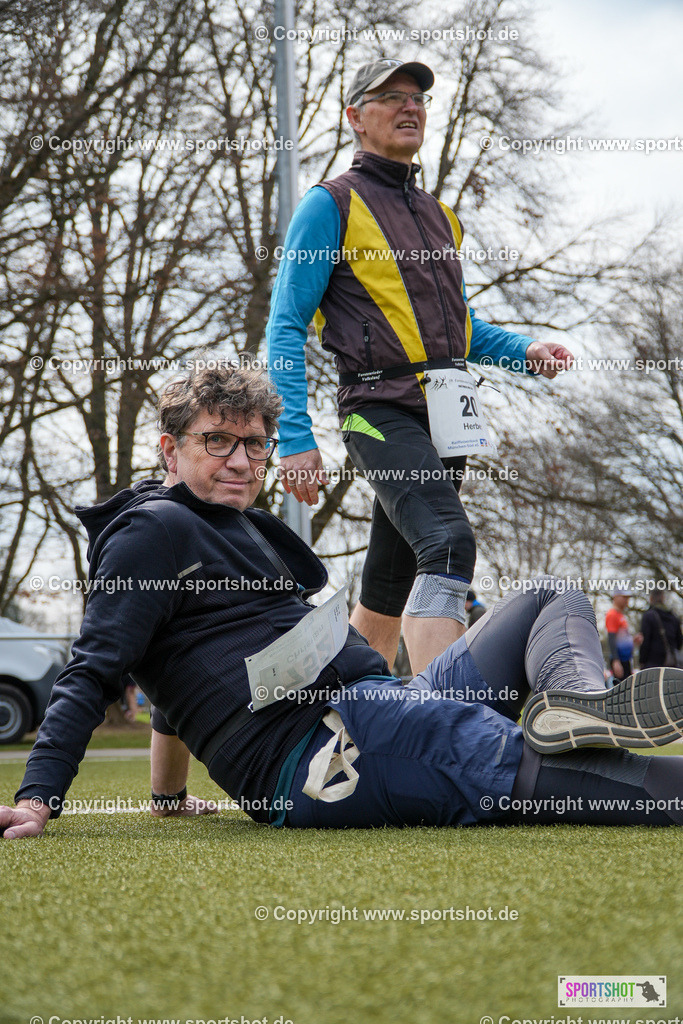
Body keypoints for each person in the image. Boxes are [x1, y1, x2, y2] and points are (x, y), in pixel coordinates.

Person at [1, 363, 682, 842]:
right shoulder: (151, 531)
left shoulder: (237, 527)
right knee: (623, 785)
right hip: (320, 751)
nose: (241, 460)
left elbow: (176, 673)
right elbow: (96, 668)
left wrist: (167, 797)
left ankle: (577, 707)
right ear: (169, 451)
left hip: (380, 698)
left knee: (545, 595)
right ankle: (572, 740)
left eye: (255, 444)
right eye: (216, 440)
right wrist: (38, 798)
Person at [267, 58, 574, 677]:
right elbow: (285, 325)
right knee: (449, 543)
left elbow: (458, 325)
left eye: (420, 99)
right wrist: (295, 440)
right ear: (355, 116)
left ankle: (348, 729)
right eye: (392, 96)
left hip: (446, 415)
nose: (412, 107)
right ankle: (453, 731)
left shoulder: (440, 215)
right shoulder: (329, 206)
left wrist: (524, 351)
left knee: (385, 589)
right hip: (378, 411)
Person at [605, 588, 642, 680]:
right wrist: (616, 661)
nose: (627, 601)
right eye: (624, 597)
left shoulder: (621, 615)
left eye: (628, 598)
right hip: (619, 660)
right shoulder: (612, 614)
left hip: (626, 660)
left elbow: (621, 639)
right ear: (616, 597)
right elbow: (611, 638)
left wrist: (632, 641)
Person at [640, 591, 683, 669]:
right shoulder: (674, 617)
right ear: (663, 598)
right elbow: (679, 641)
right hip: (672, 664)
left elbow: (645, 641)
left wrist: (642, 661)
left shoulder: (648, 616)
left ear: (651, 599)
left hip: (652, 664)